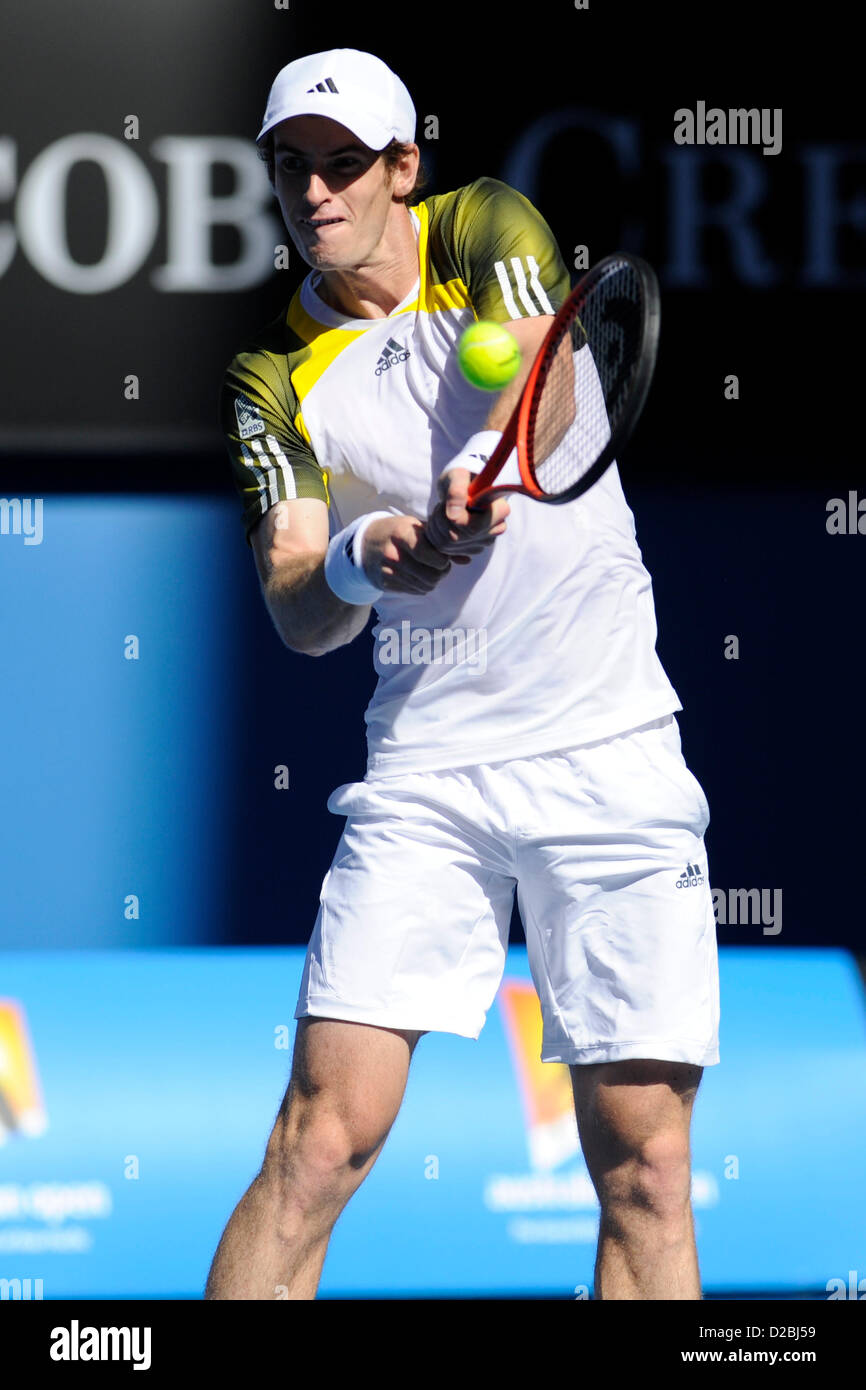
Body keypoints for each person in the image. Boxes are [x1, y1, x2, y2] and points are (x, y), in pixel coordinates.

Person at [206, 47, 719, 1301]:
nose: (314, 194)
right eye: (291, 168)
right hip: (426, 776)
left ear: (402, 167)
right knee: (319, 1143)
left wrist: (477, 463)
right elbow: (294, 603)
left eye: (342, 165)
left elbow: (533, 370)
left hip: (608, 752)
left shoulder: (487, 218)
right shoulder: (270, 373)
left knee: (644, 1170)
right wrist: (363, 556)